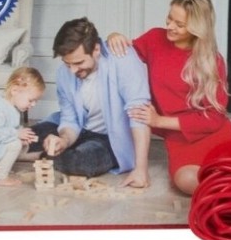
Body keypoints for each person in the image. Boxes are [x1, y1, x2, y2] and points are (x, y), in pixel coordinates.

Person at [108, 0, 231, 195]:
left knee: (219, 181)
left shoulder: (212, 61)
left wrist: (159, 121)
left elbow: (214, 118)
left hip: (216, 137)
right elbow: (126, 57)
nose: (170, 26)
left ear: (197, 28)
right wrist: (114, 36)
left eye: (179, 24)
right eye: (169, 18)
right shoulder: (154, 38)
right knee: (186, 181)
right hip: (179, 141)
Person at [31, 17, 152, 188]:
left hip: (109, 138)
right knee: (26, 137)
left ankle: (40, 155)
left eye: (79, 63)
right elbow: (69, 119)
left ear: (96, 49)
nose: (73, 70)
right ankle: (48, 153)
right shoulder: (64, 73)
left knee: (81, 163)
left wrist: (141, 169)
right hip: (79, 131)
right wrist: (63, 140)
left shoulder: (123, 59)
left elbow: (139, 114)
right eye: (67, 64)